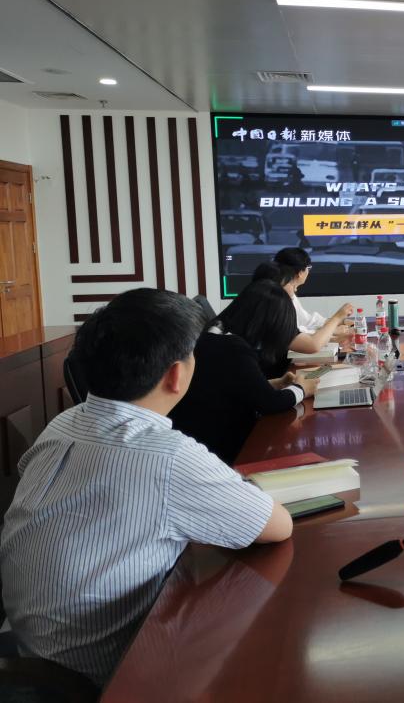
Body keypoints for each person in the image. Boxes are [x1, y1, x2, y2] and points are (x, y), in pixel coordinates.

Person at [0, 289, 291, 688]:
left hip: (30, 648)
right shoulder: (167, 456)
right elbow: (277, 525)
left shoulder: (62, 424)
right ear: (176, 374)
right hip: (105, 673)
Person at [169, 279, 319, 463]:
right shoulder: (233, 349)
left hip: (198, 437)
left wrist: (275, 384)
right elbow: (270, 403)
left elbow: (230, 385)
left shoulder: (214, 335)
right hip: (219, 448)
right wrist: (302, 389)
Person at [270, 247, 353, 353]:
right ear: (300, 272)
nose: (294, 291)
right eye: (308, 268)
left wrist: (338, 323)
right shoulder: (278, 297)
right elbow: (301, 337)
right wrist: (333, 327)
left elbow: (307, 321)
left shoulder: (283, 291)